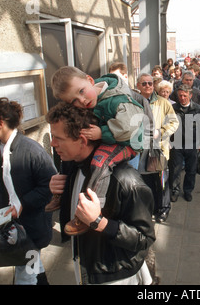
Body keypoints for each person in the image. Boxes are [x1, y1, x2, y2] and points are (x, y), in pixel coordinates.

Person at [46, 102, 155, 285]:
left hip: (115, 276)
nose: (52, 143)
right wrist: (58, 195)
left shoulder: (127, 181)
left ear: (82, 140)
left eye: (58, 138)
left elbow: (144, 238)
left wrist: (99, 222)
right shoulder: (73, 167)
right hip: (85, 266)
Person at [46, 66, 145, 233]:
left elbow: (129, 127)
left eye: (82, 91)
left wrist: (101, 132)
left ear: (90, 80)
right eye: (74, 101)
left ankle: (93, 207)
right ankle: (61, 198)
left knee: (101, 162)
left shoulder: (117, 99)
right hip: (111, 138)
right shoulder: (94, 96)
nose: (82, 100)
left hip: (127, 143)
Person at [0, 98, 57, 285]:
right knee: (31, 265)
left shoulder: (31, 151)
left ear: (0, 124)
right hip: (9, 224)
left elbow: (49, 186)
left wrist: (22, 204)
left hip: (30, 224)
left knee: (25, 273)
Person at [136, 74, 179, 222]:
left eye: (150, 83)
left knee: (162, 181)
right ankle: (152, 207)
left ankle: (164, 209)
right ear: (138, 86)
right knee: (146, 181)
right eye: (144, 84)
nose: (148, 86)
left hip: (158, 149)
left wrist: (160, 132)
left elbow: (174, 122)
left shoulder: (163, 103)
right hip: (141, 151)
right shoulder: (134, 103)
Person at [108, 61, 156, 169]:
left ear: (125, 76)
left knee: (130, 181)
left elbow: (150, 126)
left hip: (131, 152)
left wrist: (138, 146)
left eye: (116, 77)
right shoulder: (107, 99)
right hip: (111, 151)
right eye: (111, 77)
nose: (113, 81)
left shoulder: (138, 99)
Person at [169, 84, 200, 202]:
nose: (182, 98)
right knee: (175, 169)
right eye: (180, 95)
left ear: (190, 96)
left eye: (185, 95)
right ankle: (174, 190)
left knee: (191, 170)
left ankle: (188, 191)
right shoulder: (172, 108)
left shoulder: (198, 109)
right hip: (176, 144)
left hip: (192, 144)